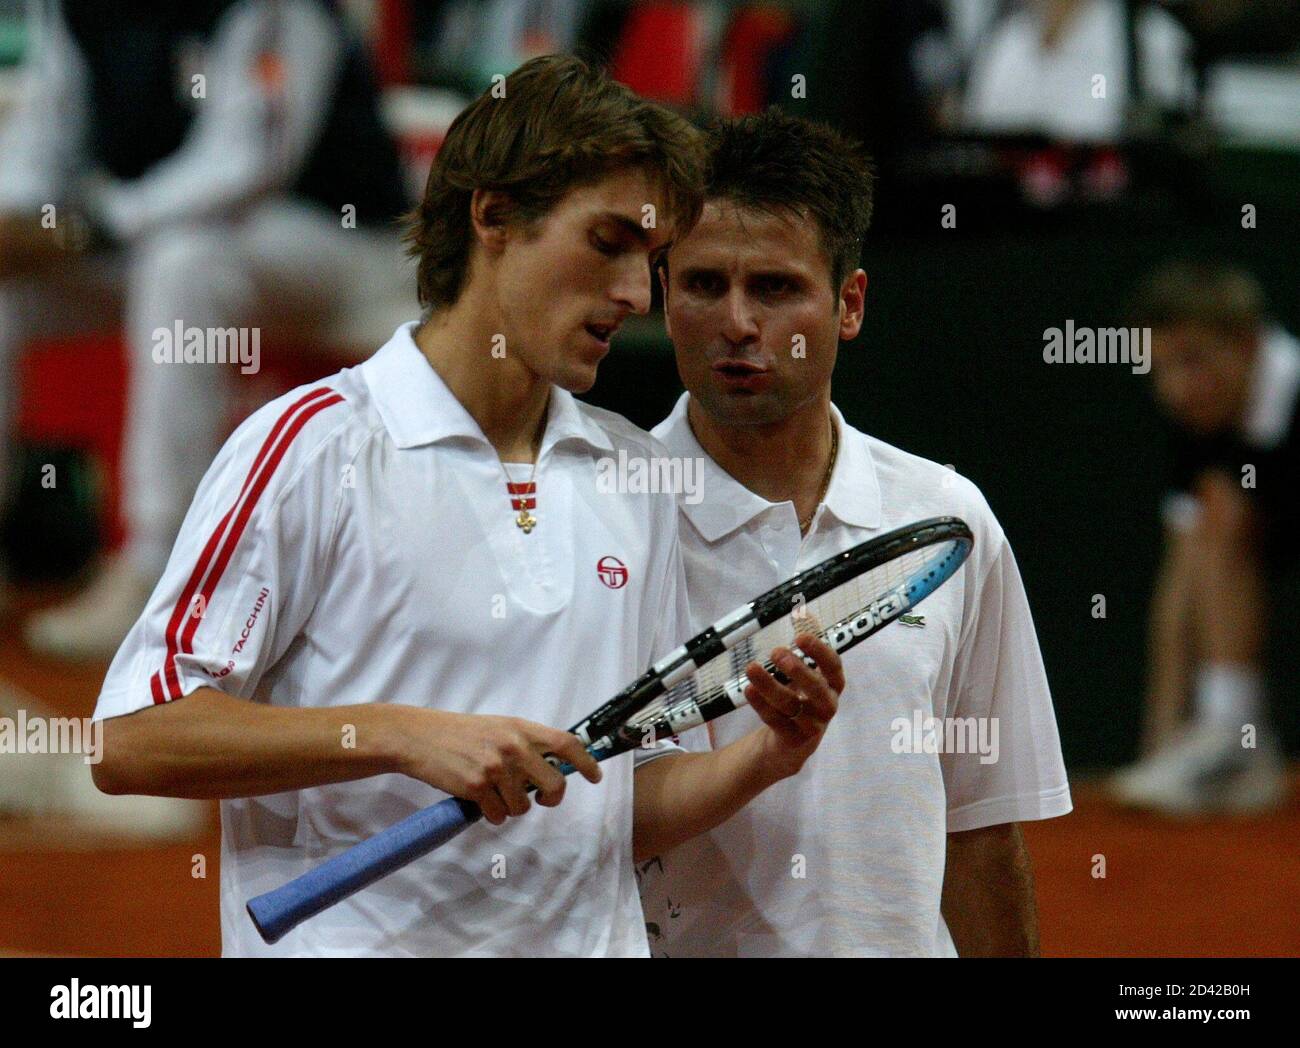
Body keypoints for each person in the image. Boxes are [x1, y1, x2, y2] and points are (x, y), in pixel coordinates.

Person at [89, 55, 843, 957]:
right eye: (607, 243)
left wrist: (763, 759)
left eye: (651, 260)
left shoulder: (638, 476)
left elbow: (609, 812)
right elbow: (134, 739)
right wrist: (398, 734)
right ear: (493, 214)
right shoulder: (313, 449)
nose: (638, 296)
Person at [638, 108, 1072, 957]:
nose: (736, 322)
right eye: (701, 285)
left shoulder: (948, 521)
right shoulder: (601, 521)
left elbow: (978, 831)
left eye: (774, 287)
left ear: (848, 305)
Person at [0, 0, 411, 657]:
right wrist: (21, 218)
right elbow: (43, 138)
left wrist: (85, 226)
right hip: (162, 234)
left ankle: (158, 566)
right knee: (8, 286)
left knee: (184, 263)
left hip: (346, 248)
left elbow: (243, 163)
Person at [1109, 261, 1294, 814]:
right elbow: (1182, 580)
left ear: (1247, 343)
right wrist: (1161, 743)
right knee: (1213, 523)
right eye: (1161, 368)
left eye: (1192, 362)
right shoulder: (1201, 427)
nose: (1174, 390)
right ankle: (1233, 739)